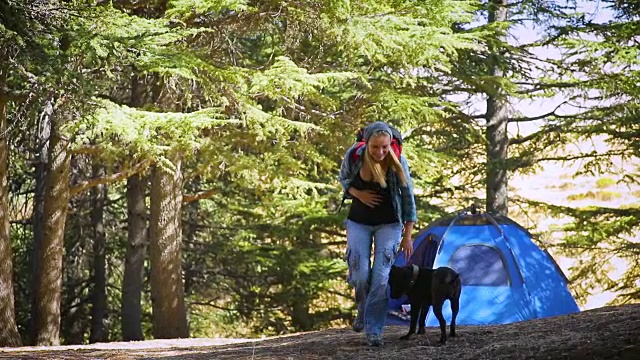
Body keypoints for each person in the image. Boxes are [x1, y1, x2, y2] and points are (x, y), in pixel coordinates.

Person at [338, 121, 417, 346]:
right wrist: (359, 194)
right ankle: (363, 308)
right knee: (361, 274)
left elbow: (408, 199)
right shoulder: (354, 156)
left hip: (390, 224)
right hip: (358, 222)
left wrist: (408, 235)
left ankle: (374, 331)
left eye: (385, 147)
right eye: (375, 147)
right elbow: (343, 179)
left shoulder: (397, 162)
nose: (380, 152)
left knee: (381, 277)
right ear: (367, 143)